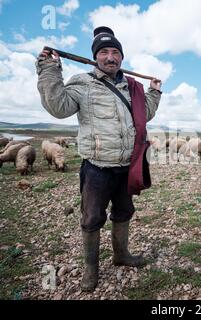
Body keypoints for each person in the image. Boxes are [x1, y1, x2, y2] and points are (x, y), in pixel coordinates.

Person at [36, 26, 162, 292]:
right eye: (104, 52)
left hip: (126, 166)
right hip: (96, 168)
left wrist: (154, 93)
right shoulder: (82, 83)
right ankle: (91, 269)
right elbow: (58, 108)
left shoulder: (132, 87)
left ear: (121, 58)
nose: (110, 57)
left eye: (115, 52)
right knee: (92, 218)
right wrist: (49, 69)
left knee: (124, 212)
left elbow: (143, 115)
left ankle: (121, 255)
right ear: (95, 57)